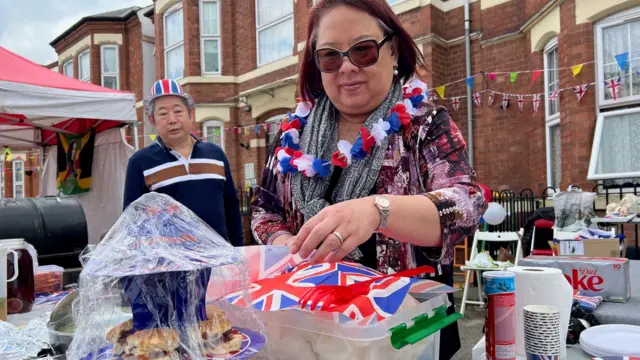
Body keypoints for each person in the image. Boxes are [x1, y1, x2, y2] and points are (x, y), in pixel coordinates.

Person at [250, 0, 486, 358]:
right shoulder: (292, 133)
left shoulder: (424, 124)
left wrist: (378, 211)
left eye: (362, 50)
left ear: (393, 53)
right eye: (330, 56)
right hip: (310, 329)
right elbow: (263, 211)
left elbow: (467, 204)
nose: (346, 67)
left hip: (407, 334)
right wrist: (287, 243)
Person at [123, 79, 244, 247]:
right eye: (163, 113)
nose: (172, 120)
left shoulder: (215, 154)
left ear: (190, 114)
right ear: (152, 120)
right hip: (171, 265)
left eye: (178, 111)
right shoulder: (140, 162)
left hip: (219, 260)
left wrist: (239, 250)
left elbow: (231, 207)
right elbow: (133, 222)